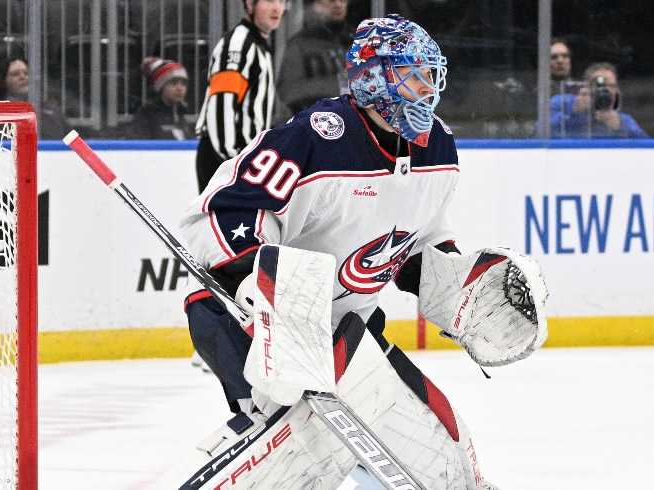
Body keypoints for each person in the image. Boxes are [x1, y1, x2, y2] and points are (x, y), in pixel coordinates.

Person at [176, 14, 547, 489]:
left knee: (446, 462)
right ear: (376, 78)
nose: (429, 86)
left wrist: (458, 288)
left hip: (348, 333)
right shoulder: (316, 138)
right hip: (249, 320)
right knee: (304, 454)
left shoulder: (438, 151)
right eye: (415, 72)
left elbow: (416, 246)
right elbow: (219, 216)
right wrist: (262, 283)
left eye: (432, 73)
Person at [193, 0, 285, 192]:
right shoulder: (239, 45)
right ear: (250, 5)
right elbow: (222, 107)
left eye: (282, 1)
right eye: (270, 0)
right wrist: (234, 164)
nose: (278, 8)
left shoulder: (258, 46)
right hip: (226, 162)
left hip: (242, 161)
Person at [276, 0, 352, 116]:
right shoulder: (301, 44)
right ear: (316, 5)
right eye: (331, 1)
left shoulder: (356, 40)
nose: (338, 5)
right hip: (313, 124)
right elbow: (288, 92)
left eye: (342, 0)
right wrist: (337, 83)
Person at [549, 62, 649, 138]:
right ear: (586, 87)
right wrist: (573, 113)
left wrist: (621, 127)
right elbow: (539, 131)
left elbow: (649, 149)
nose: (607, 91)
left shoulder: (622, 120)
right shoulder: (563, 103)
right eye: (600, 86)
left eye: (612, 86)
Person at [0, 57, 74, 140]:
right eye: (15, 74)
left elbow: (71, 138)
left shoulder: (51, 108)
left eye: (26, 73)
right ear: (3, 81)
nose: (22, 77)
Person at [127, 56, 194, 140]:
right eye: (173, 83)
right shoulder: (146, 116)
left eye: (183, 84)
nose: (180, 88)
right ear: (161, 87)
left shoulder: (182, 114)